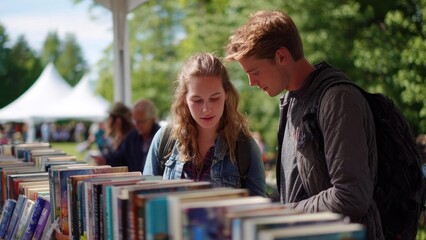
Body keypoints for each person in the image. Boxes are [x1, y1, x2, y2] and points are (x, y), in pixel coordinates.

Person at [225, 10, 382, 239]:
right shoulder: (291, 101)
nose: (251, 82)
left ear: (281, 56)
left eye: (255, 72)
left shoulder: (337, 100)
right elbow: (299, 190)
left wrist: (282, 212)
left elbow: (351, 195)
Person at [143, 52, 266, 197]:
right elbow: (146, 199)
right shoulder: (165, 139)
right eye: (197, 100)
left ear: (226, 94)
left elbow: (257, 209)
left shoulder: (245, 147)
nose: (206, 109)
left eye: (214, 98)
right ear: (184, 99)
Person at [93, 99, 161, 172]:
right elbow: (121, 157)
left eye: (141, 122)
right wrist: (105, 160)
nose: (137, 125)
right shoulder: (132, 136)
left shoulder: (162, 138)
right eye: (135, 121)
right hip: (135, 181)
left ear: (152, 119)